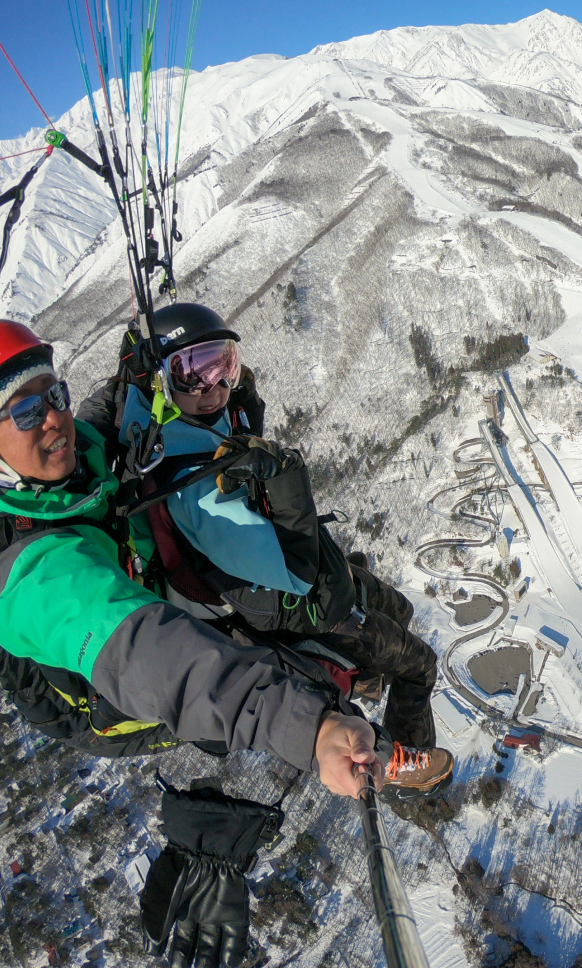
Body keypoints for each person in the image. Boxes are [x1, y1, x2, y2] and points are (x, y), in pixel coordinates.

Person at [0, 316, 384, 798]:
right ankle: (367, 741)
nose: (55, 418)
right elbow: (154, 658)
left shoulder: (54, 463)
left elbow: (100, 421)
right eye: (27, 411)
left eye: (55, 395)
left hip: (129, 578)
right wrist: (311, 731)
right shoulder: (28, 578)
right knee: (273, 680)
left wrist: (133, 374)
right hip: (104, 695)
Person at [78, 303, 452, 798]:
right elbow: (307, 587)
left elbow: (164, 388)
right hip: (298, 606)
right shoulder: (195, 493)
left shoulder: (164, 421)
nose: (213, 385)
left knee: (399, 610)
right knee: (420, 665)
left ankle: (365, 679)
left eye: (223, 364)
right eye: (193, 373)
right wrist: (288, 478)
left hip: (300, 574)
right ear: (164, 381)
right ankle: (403, 766)